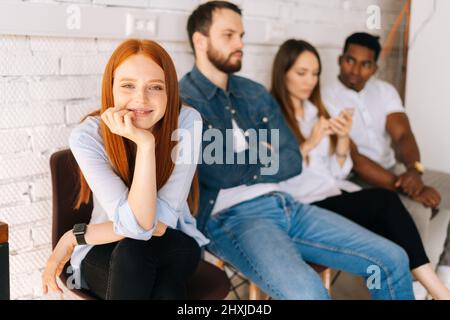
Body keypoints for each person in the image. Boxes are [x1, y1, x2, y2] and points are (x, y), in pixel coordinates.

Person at [179, 1, 414, 300]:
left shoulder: (253, 92)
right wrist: (263, 153)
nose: (240, 44)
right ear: (200, 41)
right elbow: (216, 172)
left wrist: (246, 157)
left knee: (391, 259)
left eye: (241, 35)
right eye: (229, 35)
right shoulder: (185, 100)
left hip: (286, 204)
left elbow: (292, 161)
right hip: (232, 218)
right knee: (310, 294)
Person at [271, 38, 450, 300]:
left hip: (333, 193)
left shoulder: (314, 111)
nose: (310, 80)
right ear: (282, 73)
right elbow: (271, 175)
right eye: (302, 73)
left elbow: (336, 173)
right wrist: (308, 144)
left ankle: (433, 284)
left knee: (390, 229)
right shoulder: (269, 114)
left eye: (315, 73)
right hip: (302, 205)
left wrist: (341, 140)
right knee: (386, 203)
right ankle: (435, 290)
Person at [41, 39, 208, 299]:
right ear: (111, 89)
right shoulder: (87, 136)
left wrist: (73, 237)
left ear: (170, 92)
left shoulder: (186, 122)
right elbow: (137, 226)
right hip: (102, 249)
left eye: (155, 87)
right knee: (159, 283)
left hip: (173, 243)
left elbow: (158, 225)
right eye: (128, 85)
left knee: (137, 250)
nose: (140, 98)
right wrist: (144, 143)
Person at [322, 32, 450, 296]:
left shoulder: (384, 91)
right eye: (350, 60)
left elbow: (403, 135)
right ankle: (415, 288)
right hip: (356, 179)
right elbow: (355, 160)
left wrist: (414, 171)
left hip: (398, 173)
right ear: (339, 59)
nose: (356, 69)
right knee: (417, 211)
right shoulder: (325, 97)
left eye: (365, 64)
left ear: (375, 68)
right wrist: (409, 188)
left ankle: (445, 276)